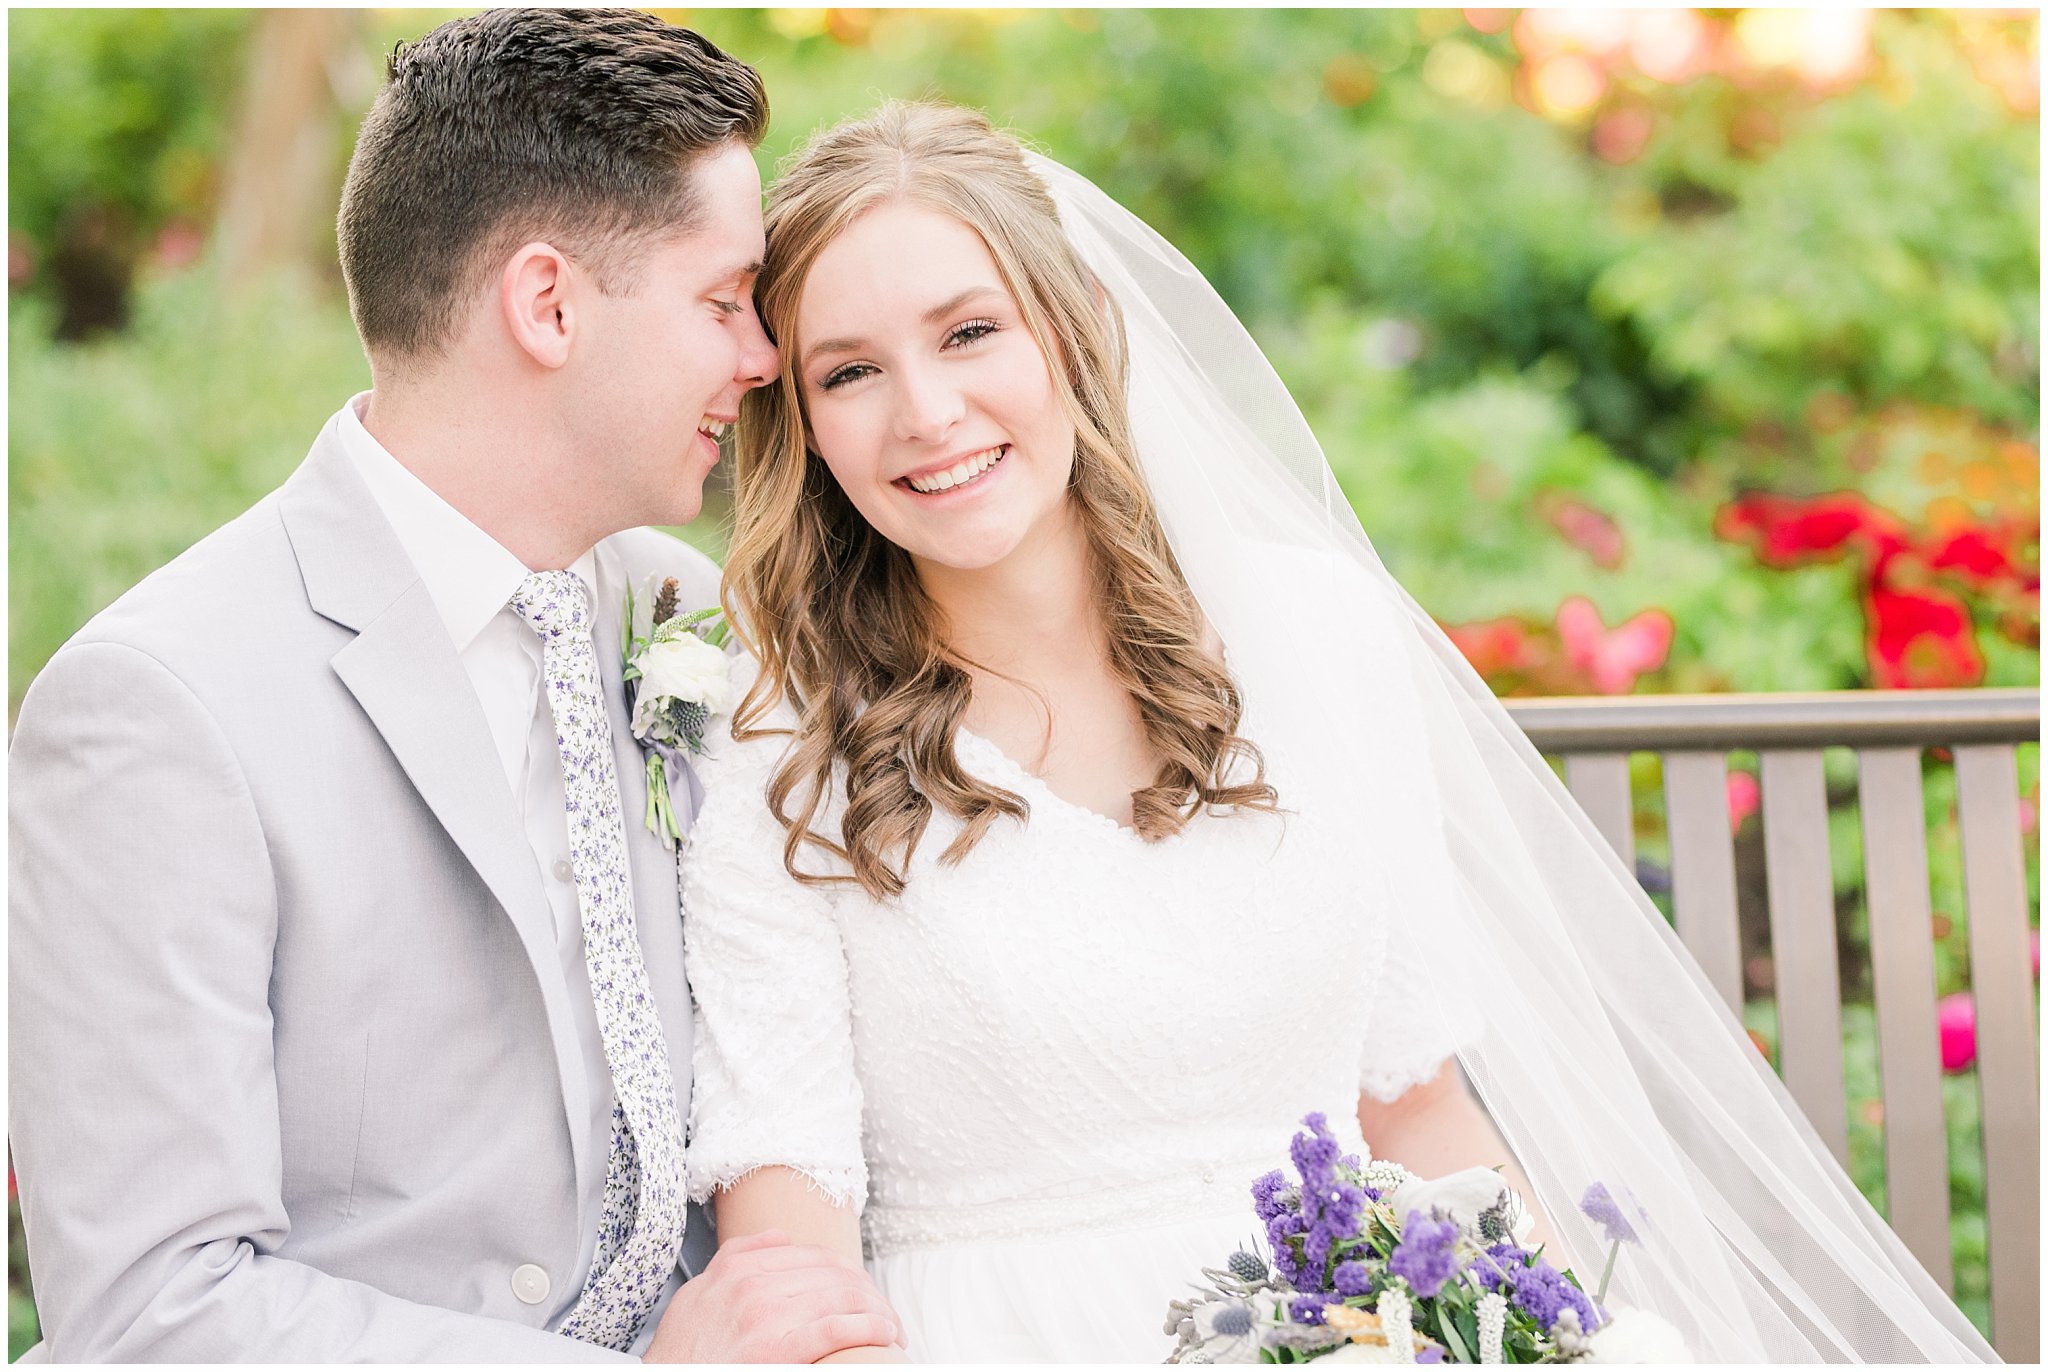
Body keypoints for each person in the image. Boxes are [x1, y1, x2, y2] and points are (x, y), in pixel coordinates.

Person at [678, 102, 1997, 1363]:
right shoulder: (775, 735)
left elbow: (1416, 1107)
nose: (925, 413)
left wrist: (1549, 1342)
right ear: (804, 418)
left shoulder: (1317, 636)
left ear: (1077, 328)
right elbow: (790, 1244)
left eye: (969, 333)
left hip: (1354, 1337)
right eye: (850, 372)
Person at [8, 11, 903, 1362]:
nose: (762, 360)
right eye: (723, 301)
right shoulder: (157, 704)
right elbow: (150, 1307)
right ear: (547, 305)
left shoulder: (688, 613)